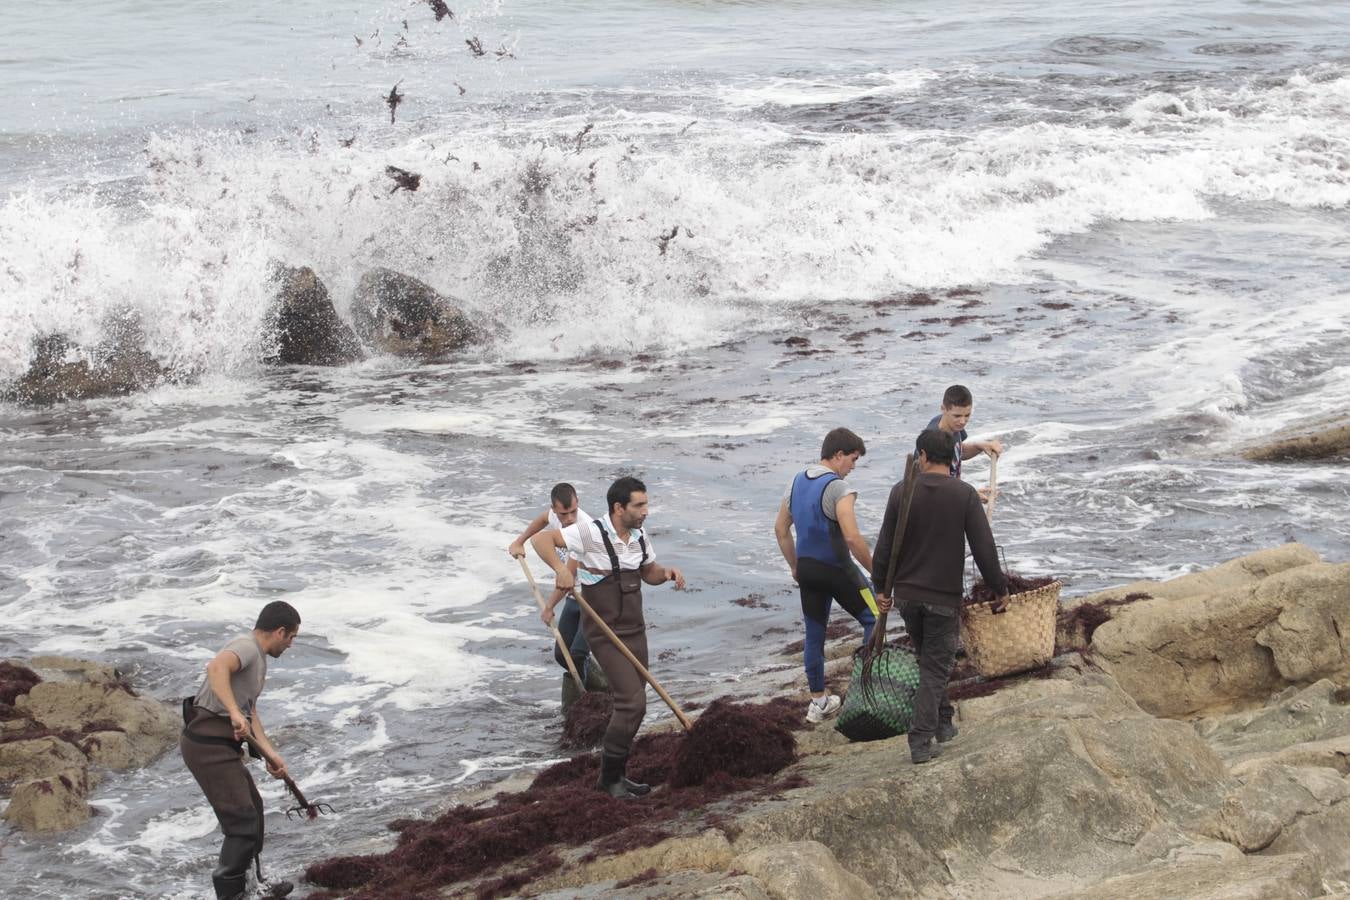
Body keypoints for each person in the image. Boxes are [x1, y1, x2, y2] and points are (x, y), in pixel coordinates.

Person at [531, 476, 685, 799]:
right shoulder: (590, 531)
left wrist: (667, 573)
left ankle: (618, 774)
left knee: (636, 706)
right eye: (639, 505)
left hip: (635, 629)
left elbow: (648, 571)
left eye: (646, 504)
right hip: (604, 631)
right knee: (631, 701)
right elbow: (542, 542)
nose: (646, 511)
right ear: (619, 508)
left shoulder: (640, 536)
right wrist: (560, 569)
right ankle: (608, 779)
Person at [872, 429, 1009, 764]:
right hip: (942, 598)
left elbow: (885, 548)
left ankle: (944, 723)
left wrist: (880, 589)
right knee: (936, 666)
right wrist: (999, 588)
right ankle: (920, 740)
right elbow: (983, 548)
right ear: (954, 458)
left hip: (906, 596)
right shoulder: (963, 494)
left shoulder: (901, 491)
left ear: (922, 455)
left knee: (929, 659)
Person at [180, 602, 301, 900]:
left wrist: (272, 756)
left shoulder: (259, 660)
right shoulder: (246, 646)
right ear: (279, 631)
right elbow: (217, 667)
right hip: (206, 745)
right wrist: (233, 711)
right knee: (241, 820)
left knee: (254, 811)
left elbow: (251, 713)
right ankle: (231, 894)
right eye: (291, 637)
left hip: (223, 746)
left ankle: (254, 884)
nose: (291, 644)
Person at [774, 427, 878, 724]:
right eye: (853, 460)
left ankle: (818, 702)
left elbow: (780, 530)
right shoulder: (837, 488)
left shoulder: (795, 482)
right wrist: (875, 572)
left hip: (807, 570)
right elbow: (853, 539)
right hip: (838, 569)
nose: (853, 467)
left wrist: (795, 566)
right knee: (875, 617)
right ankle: (865, 689)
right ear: (838, 455)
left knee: (815, 634)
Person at [508, 482, 606, 693]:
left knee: (578, 654)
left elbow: (567, 576)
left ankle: (589, 697)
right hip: (574, 597)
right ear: (554, 509)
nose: (569, 518)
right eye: (563, 514)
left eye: (573, 512)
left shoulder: (585, 529)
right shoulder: (553, 516)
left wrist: (549, 607)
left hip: (595, 598)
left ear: (578, 503)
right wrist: (520, 541)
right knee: (562, 655)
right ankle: (601, 685)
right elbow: (543, 519)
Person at [919, 384, 1004, 479]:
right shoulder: (934, 442)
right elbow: (934, 483)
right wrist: (969, 493)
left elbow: (957, 452)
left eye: (967, 415)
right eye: (957, 416)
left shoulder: (954, 426)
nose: (963, 422)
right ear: (943, 409)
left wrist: (980, 446)